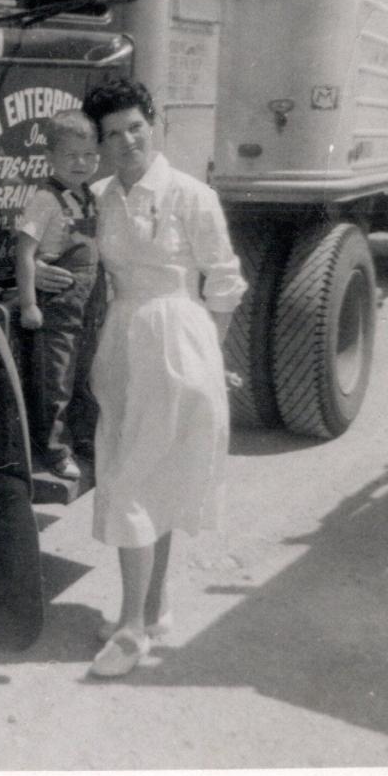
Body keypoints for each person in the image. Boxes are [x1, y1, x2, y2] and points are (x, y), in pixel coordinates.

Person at [80, 79, 247, 677]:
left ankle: (130, 630)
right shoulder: (100, 197)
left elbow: (223, 282)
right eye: (112, 134)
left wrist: (205, 354)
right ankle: (153, 608)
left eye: (135, 128)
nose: (127, 142)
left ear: (153, 123)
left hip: (177, 342)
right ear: (99, 143)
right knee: (149, 476)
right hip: (122, 342)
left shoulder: (190, 195)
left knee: (132, 481)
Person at [16, 110, 105, 480]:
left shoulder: (88, 197)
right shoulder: (45, 200)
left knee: (85, 376)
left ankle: (83, 439)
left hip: (88, 304)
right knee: (57, 381)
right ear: (50, 159)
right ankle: (54, 451)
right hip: (58, 307)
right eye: (71, 156)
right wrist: (29, 304)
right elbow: (23, 251)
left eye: (89, 155)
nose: (81, 163)